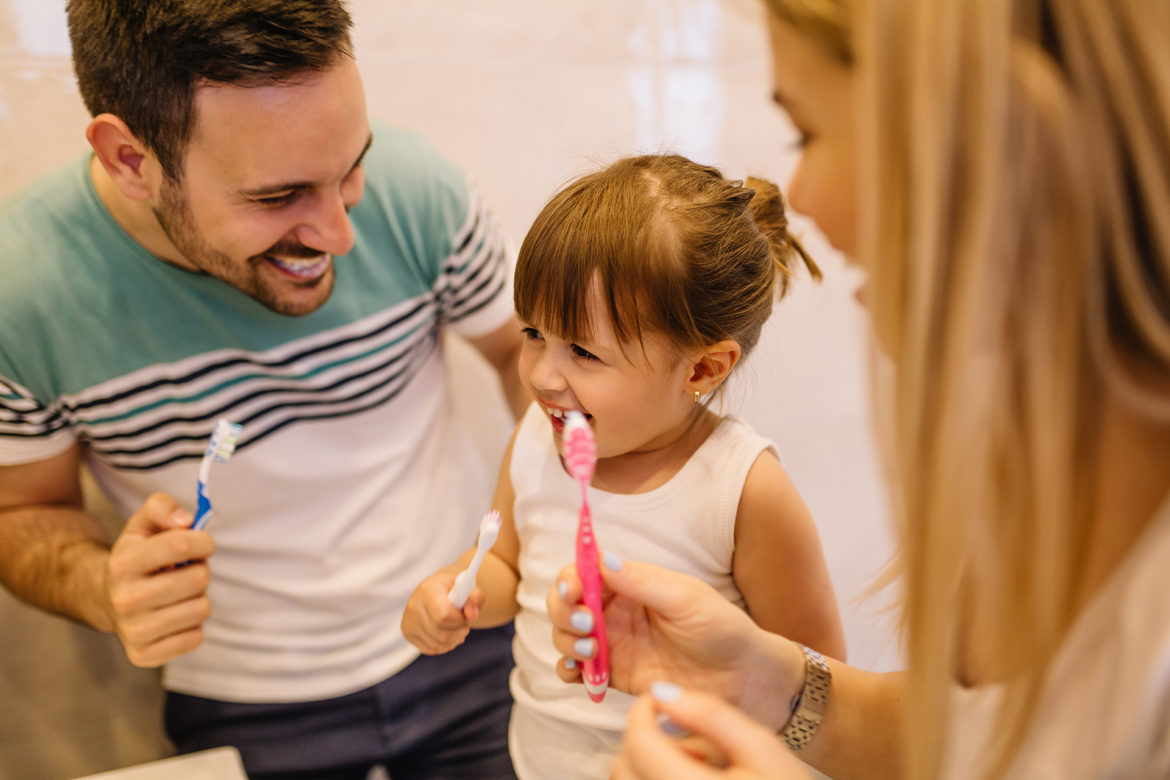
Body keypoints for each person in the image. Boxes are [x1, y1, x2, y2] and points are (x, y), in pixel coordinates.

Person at [549, 0, 1170, 778]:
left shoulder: (749, 487)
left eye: (808, 132)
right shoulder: (1054, 479)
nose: (798, 194)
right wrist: (769, 683)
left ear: (1001, 140)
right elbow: (993, 730)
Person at [0, 1, 529, 778]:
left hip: (471, 638)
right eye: (278, 197)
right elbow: (24, 509)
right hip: (248, 706)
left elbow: (528, 361)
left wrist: (530, 544)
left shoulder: (421, 192)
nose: (342, 233)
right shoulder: (23, 294)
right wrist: (98, 586)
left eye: (351, 167)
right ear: (129, 159)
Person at [401, 153, 846, 778]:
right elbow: (507, 564)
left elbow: (818, 680)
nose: (541, 376)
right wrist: (458, 589)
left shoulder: (742, 489)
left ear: (701, 369)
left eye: (582, 351)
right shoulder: (535, 440)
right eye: (533, 334)